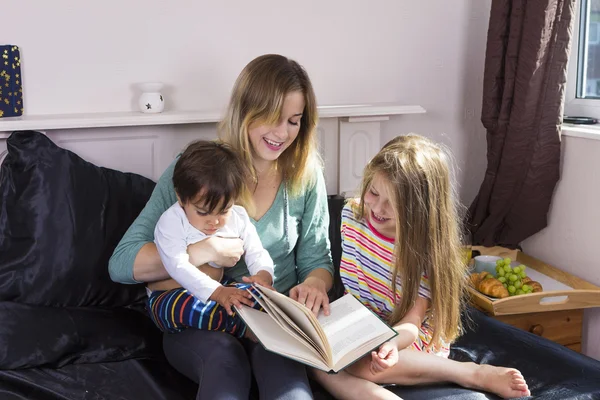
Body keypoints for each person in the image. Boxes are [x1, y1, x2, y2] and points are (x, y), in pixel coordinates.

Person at [109, 54, 334, 400]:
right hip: (200, 321)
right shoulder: (200, 169)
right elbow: (122, 263)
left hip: (267, 319)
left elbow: (317, 259)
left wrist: (315, 285)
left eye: (293, 121)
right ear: (245, 110)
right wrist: (205, 251)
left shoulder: (306, 175)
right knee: (225, 365)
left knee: (289, 389)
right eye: (272, 118)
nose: (282, 133)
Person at [312, 134, 530, 400]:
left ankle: (469, 373)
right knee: (314, 358)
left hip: (404, 338)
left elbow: (412, 322)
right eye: (374, 192)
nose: (377, 208)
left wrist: (390, 343)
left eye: (393, 203)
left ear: (419, 208)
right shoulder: (352, 217)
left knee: (364, 364)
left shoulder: (422, 249)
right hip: (364, 325)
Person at [148, 140, 274, 338]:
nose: (214, 222)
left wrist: (263, 273)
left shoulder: (238, 217)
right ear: (181, 198)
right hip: (172, 294)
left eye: (224, 210)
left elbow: (256, 250)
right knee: (184, 309)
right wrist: (218, 293)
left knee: (254, 296)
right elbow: (177, 265)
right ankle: (249, 329)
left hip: (221, 287)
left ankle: (240, 320)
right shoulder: (171, 222)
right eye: (203, 212)